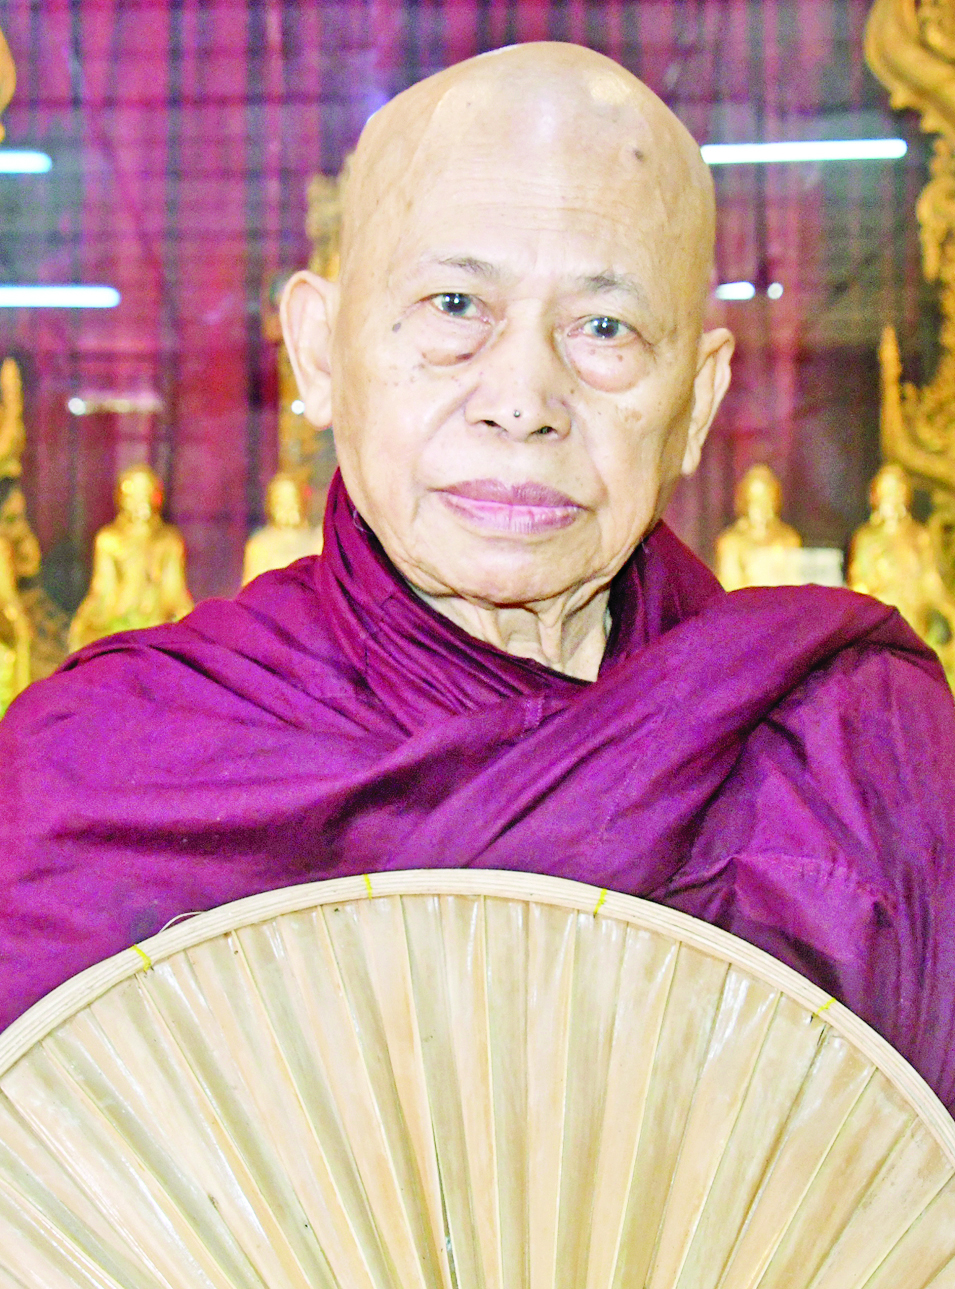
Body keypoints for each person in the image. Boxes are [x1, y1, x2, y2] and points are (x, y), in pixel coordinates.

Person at [2, 43, 955, 1117]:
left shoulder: (852, 753)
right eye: (454, 305)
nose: (523, 399)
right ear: (318, 352)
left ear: (696, 400)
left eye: (604, 329)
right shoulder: (101, 768)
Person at [68, 464, 193, 650]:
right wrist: (85, 619)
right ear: (122, 498)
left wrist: (187, 622)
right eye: (132, 496)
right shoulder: (109, 540)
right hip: (117, 620)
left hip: (155, 623)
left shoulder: (169, 541)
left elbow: (174, 593)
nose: (139, 502)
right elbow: (103, 591)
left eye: (145, 494)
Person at [715, 464, 802, 591]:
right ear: (745, 501)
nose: (761, 507)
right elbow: (730, 587)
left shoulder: (788, 538)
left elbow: (795, 583)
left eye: (766, 500)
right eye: (755, 501)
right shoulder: (730, 542)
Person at [241, 471, 323, 586]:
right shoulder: (259, 546)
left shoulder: (318, 543)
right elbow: (251, 590)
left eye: (292, 501)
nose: (287, 508)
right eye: (281, 502)